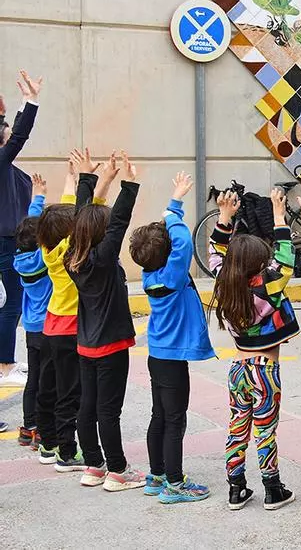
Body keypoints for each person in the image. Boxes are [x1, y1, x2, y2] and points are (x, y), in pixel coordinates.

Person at [129, 171, 217, 503]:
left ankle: (156, 475)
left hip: (157, 355)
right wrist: (173, 207)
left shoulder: (150, 275)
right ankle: (176, 484)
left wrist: (173, 208)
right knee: (175, 420)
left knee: (160, 416)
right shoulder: (172, 276)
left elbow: (174, 247)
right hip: (172, 360)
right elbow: (182, 244)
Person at [210, 187, 300, 511]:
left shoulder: (225, 282)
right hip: (265, 371)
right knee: (265, 431)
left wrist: (224, 216)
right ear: (259, 264)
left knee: (237, 427)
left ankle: (236, 488)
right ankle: (273, 489)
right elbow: (286, 258)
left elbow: (215, 253)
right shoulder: (268, 285)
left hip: (237, 370)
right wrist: (278, 214)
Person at [66, 149, 145, 491]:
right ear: (103, 233)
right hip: (110, 345)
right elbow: (119, 222)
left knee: (88, 407)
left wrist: (92, 179)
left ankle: (93, 465)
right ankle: (117, 469)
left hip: (86, 345)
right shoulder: (102, 258)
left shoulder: (74, 255)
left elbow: (81, 218)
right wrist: (129, 185)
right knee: (108, 410)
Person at [38, 149, 116, 472]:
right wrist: (95, 180)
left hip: (52, 325)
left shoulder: (48, 248)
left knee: (53, 387)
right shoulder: (71, 252)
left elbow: (74, 211)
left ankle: (49, 444)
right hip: (72, 327)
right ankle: (67, 452)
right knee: (72, 393)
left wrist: (77, 178)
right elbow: (84, 216)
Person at [0, 71, 42, 396]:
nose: (10, 132)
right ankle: (5, 365)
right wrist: (30, 102)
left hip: (10, 241)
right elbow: (19, 136)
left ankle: (6, 362)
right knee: (11, 304)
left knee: (10, 303)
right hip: (5, 243)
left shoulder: (8, 168)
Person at [15, 174, 54, 451]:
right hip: (47, 326)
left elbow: (30, 228)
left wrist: (38, 197)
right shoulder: (43, 259)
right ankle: (42, 427)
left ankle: (28, 427)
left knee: (33, 379)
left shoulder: (20, 259)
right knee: (47, 380)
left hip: (30, 326)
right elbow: (39, 233)